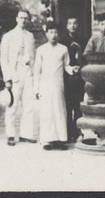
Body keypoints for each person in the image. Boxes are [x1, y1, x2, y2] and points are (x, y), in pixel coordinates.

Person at [34, 22, 80, 150]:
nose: (53, 35)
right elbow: (37, 70)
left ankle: (61, 139)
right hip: (45, 84)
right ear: (46, 33)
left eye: (56, 33)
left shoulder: (63, 49)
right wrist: (36, 88)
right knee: (47, 111)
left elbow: (66, 66)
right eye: (51, 32)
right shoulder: (41, 50)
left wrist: (72, 70)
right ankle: (47, 140)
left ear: (59, 34)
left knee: (59, 110)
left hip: (58, 84)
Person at [0, 9, 37, 146]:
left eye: (26, 18)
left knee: (29, 106)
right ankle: (10, 134)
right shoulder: (8, 36)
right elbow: (4, 59)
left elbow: (33, 56)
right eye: (21, 18)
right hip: (15, 74)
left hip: (28, 73)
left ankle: (26, 134)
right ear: (16, 19)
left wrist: (34, 74)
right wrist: (7, 78)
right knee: (12, 105)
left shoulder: (30, 36)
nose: (23, 21)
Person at [59, 17, 87, 143]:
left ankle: (77, 130)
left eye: (75, 23)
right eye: (70, 23)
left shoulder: (83, 40)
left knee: (78, 105)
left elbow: (86, 57)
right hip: (66, 76)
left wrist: (80, 65)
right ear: (66, 26)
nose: (73, 26)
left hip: (79, 76)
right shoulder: (62, 40)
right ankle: (68, 131)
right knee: (67, 105)